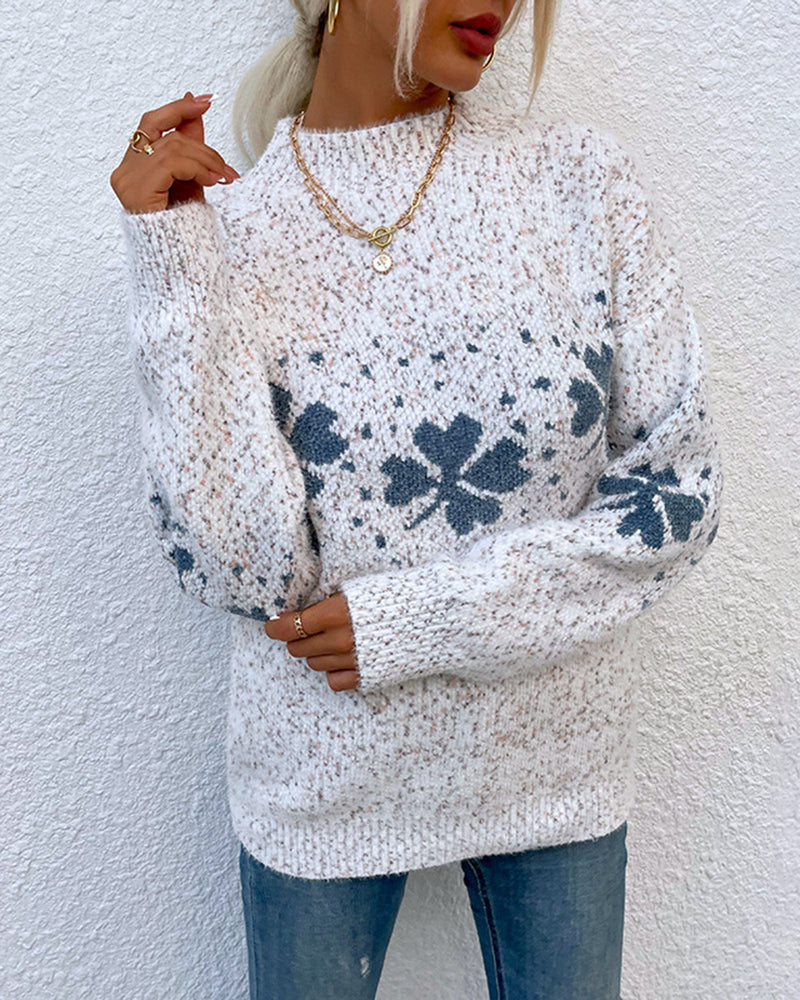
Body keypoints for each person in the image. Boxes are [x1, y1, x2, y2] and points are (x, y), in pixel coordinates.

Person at [111, 1, 722, 997]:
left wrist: (425, 620)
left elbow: (675, 494)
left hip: (551, 772)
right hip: (319, 781)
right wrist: (175, 261)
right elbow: (242, 571)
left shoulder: (579, 183)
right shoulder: (234, 227)